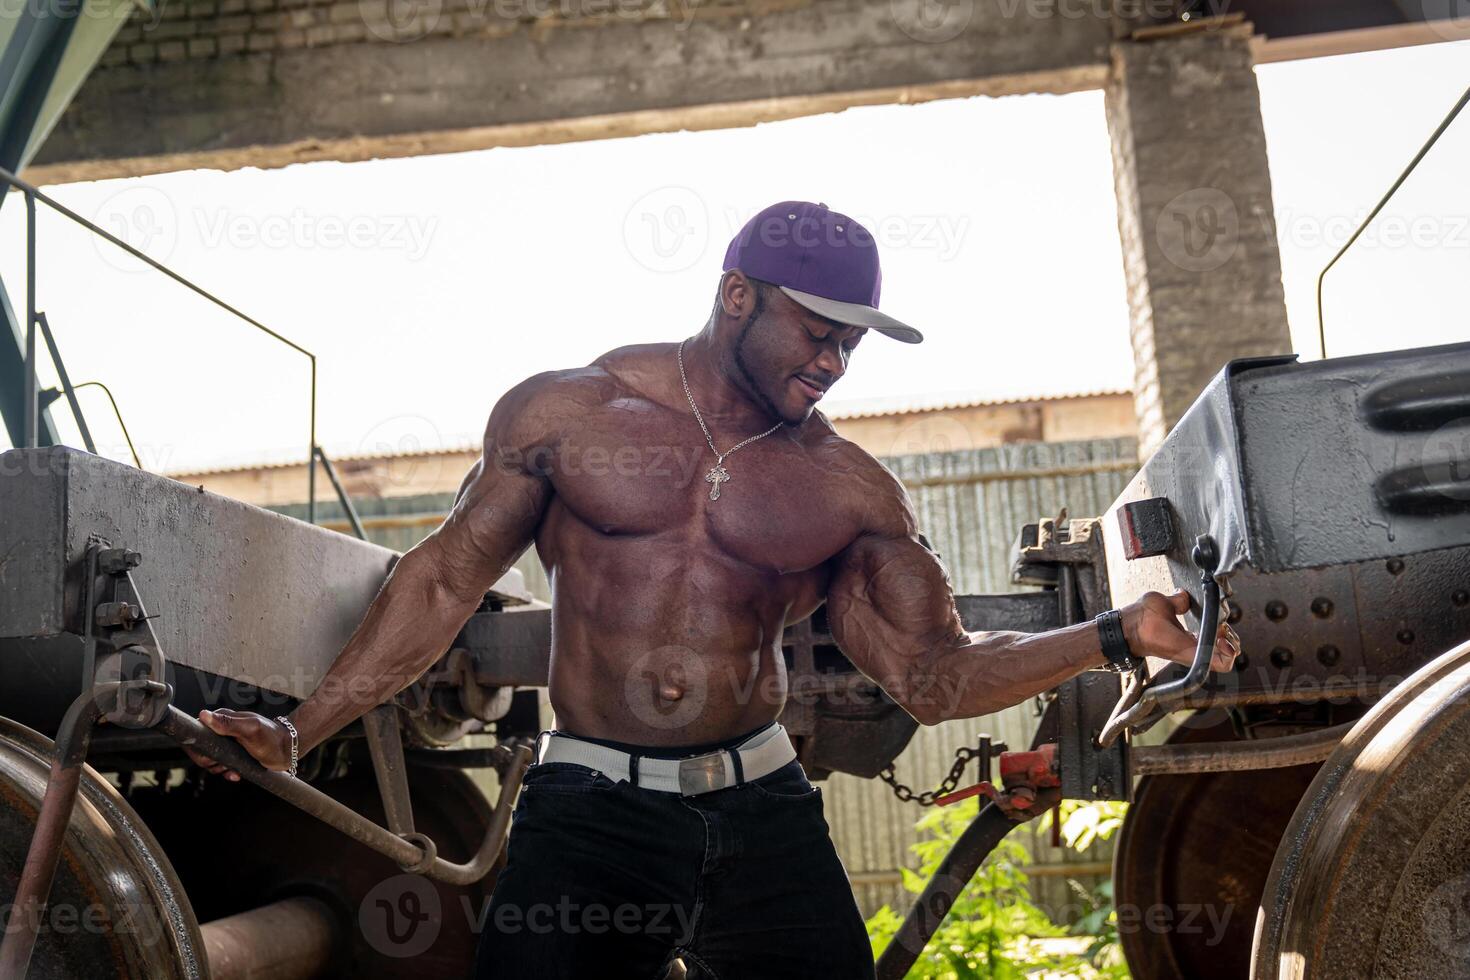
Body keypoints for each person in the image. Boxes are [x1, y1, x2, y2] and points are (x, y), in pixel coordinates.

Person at [186, 200, 1239, 979]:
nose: (834, 359)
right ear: (736, 294)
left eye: (852, 339)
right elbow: (446, 578)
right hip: (588, 809)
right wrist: (299, 726)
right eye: (815, 328)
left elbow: (933, 675)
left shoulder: (847, 487)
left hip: (760, 811)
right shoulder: (567, 414)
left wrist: (1114, 631)